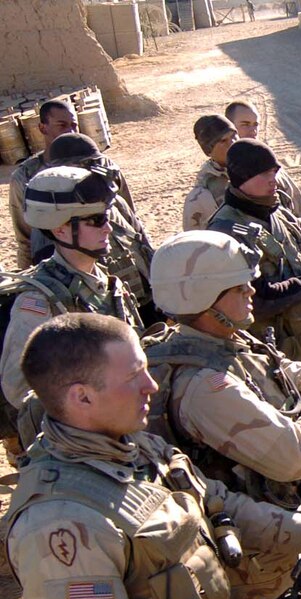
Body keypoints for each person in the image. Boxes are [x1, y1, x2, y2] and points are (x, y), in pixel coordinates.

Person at [2, 312, 301, 599]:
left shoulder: (133, 444)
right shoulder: (61, 526)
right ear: (82, 397)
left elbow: (217, 503)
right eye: (134, 375)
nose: (151, 385)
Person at [146, 230, 301, 510]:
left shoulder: (228, 336)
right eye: (239, 286)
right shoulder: (205, 384)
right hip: (263, 536)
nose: (251, 290)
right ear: (203, 298)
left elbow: (290, 370)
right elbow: (296, 456)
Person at [206, 139, 301, 385]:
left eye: (274, 172)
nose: (273, 179)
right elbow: (258, 300)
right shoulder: (226, 231)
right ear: (242, 178)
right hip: (281, 351)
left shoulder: (278, 210)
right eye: (263, 174)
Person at [2, 166, 143, 412]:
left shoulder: (109, 283)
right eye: (96, 221)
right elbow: (20, 388)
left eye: (106, 218)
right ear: (60, 229)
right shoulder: (40, 300)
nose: (108, 228)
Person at [32, 133, 159, 324]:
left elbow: (143, 246)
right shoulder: (53, 221)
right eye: (85, 166)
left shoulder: (116, 204)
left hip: (140, 305)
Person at [225, 100, 301, 252]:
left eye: (256, 124)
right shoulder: (219, 179)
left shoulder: (272, 168)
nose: (253, 130)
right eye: (245, 124)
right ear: (230, 127)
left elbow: (300, 209)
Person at [8, 100, 79, 267]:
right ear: (42, 128)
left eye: (74, 125)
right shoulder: (25, 177)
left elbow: (129, 218)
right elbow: (25, 238)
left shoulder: (98, 166)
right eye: (62, 125)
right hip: (57, 265)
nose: (70, 131)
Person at [183, 113, 238, 231]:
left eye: (234, 136)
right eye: (223, 141)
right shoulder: (202, 195)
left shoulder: (258, 167)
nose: (232, 143)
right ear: (209, 150)